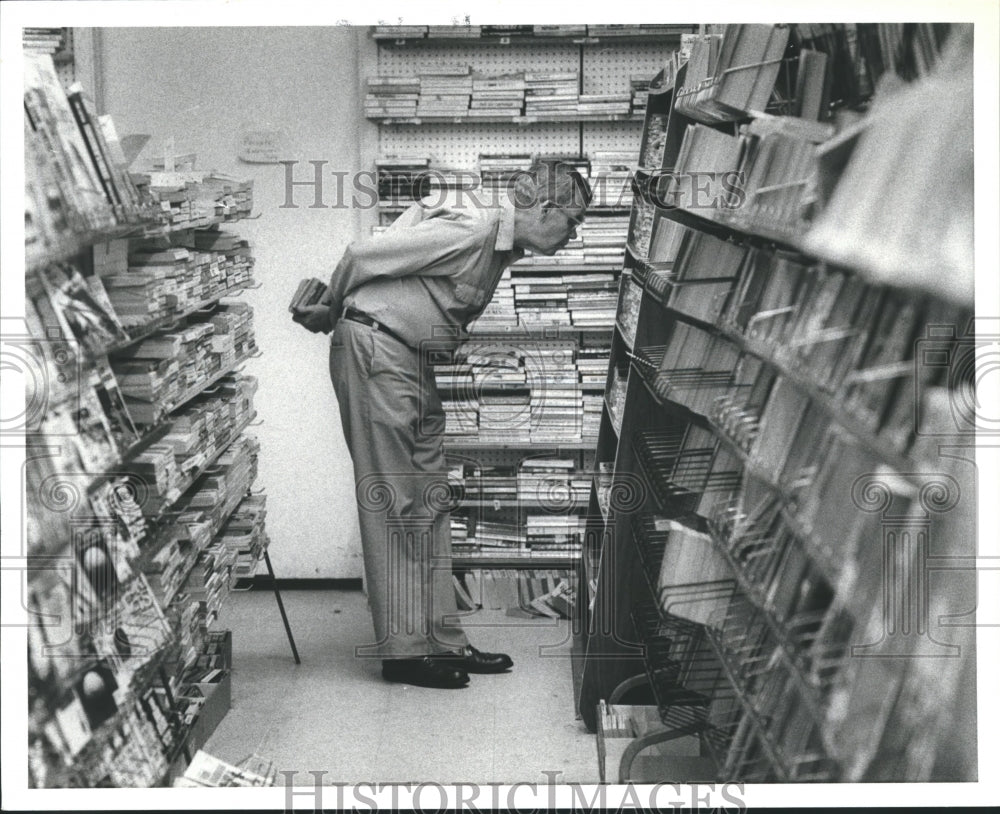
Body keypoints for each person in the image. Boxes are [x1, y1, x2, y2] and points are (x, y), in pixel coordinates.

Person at [293, 161, 592, 689]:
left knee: (430, 499)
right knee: (393, 501)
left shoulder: (499, 245)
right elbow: (362, 255)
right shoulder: (472, 226)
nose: (573, 235)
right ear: (544, 209)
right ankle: (404, 653)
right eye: (572, 221)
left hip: (411, 360)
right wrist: (331, 311)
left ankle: (442, 639)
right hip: (377, 350)